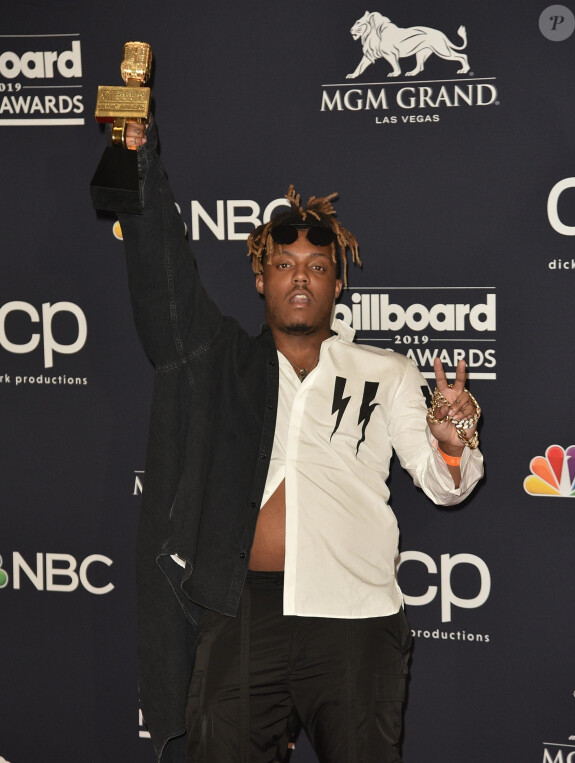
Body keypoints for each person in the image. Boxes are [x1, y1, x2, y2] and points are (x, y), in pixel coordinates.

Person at [113, 118, 483, 763]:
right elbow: (165, 282)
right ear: (262, 280)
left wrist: (453, 442)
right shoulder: (220, 359)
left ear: (339, 286)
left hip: (358, 620)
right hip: (242, 613)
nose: (302, 278)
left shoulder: (386, 370)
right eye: (284, 265)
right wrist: (140, 164)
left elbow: (441, 483)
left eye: (318, 266)